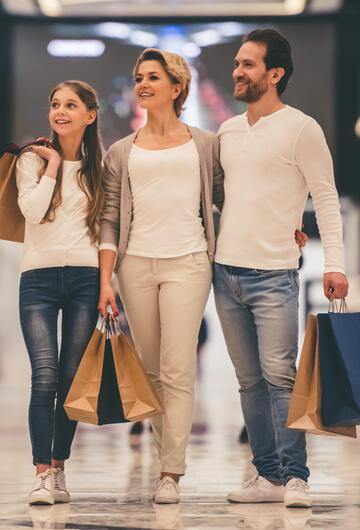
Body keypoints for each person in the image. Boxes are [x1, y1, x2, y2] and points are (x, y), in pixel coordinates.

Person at [212, 29, 348, 508]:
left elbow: (326, 197)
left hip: (274, 275)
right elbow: (225, 199)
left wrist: (336, 263)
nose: (237, 72)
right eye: (237, 63)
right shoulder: (227, 131)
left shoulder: (302, 128)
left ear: (275, 74)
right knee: (248, 380)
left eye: (248, 65)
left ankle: (296, 477)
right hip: (224, 273)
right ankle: (266, 474)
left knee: (279, 377)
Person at [97, 48, 224, 504]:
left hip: (188, 261)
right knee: (150, 373)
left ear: (177, 86)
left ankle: (171, 470)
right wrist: (106, 279)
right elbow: (109, 219)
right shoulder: (121, 151)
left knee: (177, 368)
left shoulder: (206, 143)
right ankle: (161, 458)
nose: (142, 84)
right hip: (135, 266)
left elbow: (229, 200)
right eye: (138, 77)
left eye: (152, 76)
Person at [16, 80, 102, 505]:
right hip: (39, 277)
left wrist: (110, 285)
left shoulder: (100, 168)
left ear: (90, 114)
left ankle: (60, 467)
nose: (60, 111)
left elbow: (108, 232)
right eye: (55, 104)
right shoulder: (31, 161)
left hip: (86, 278)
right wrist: (51, 165)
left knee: (70, 382)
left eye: (70, 105)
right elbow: (31, 210)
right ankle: (41, 473)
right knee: (44, 376)